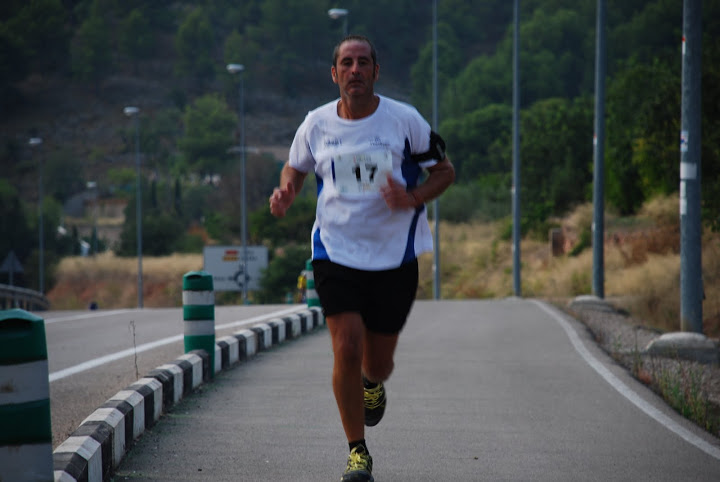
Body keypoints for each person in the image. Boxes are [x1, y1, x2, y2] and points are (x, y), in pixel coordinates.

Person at [269, 35, 455, 482]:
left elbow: (444, 171)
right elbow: (295, 165)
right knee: (346, 347)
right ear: (335, 74)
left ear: (375, 71)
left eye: (363, 63)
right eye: (346, 63)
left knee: (378, 363)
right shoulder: (315, 123)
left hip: (395, 255)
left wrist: (412, 197)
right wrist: (288, 190)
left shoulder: (403, 121)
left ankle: (373, 385)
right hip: (335, 250)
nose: (355, 70)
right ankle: (357, 452)